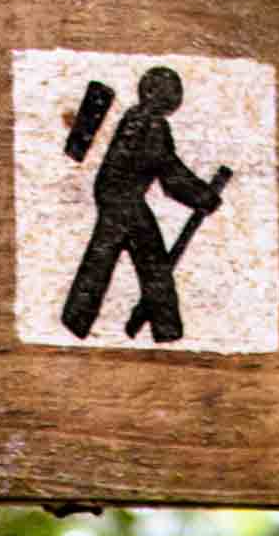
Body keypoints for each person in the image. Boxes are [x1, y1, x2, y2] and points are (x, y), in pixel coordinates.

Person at [62, 66, 225, 344]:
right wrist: (204, 197)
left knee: (101, 258)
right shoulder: (152, 124)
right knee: (154, 266)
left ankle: (76, 319)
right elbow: (170, 173)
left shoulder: (134, 117)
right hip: (126, 201)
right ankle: (167, 329)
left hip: (113, 196)